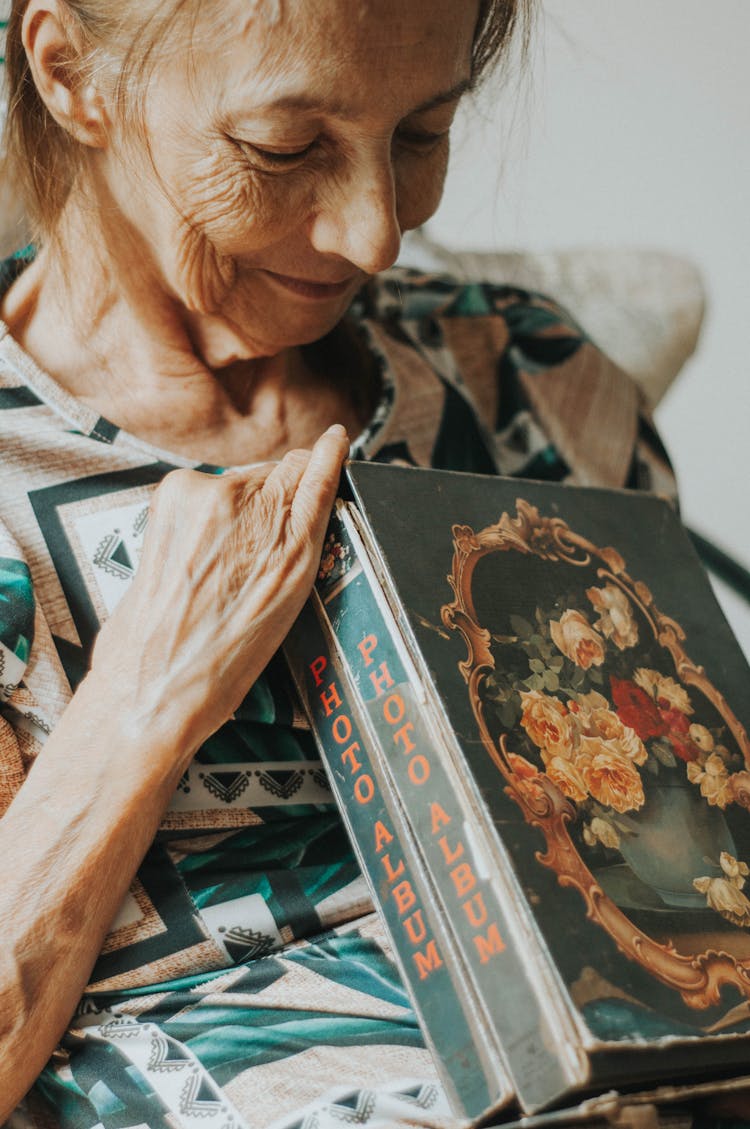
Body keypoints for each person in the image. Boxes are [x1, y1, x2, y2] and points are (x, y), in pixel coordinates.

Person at [0, 0, 675, 1124]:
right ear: (72, 74)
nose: (377, 234)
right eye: (283, 149)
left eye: (423, 135)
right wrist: (143, 700)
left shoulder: (534, 378)